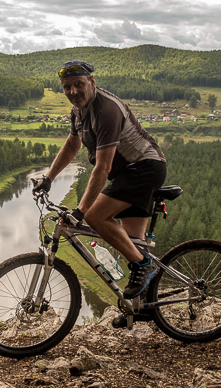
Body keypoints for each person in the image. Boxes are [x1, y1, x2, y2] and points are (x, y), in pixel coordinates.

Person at [35, 60, 167, 302]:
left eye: (78, 84)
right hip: (129, 174)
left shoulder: (106, 110)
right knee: (131, 242)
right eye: (67, 87)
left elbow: (103, 168)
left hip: (144, 169)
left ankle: (145, 265)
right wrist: (48, 178)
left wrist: (81, 210)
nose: (73, 92)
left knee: (96, 217)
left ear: (92, 82)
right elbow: (72, 144)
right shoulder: (78, 111)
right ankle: (144, 307)